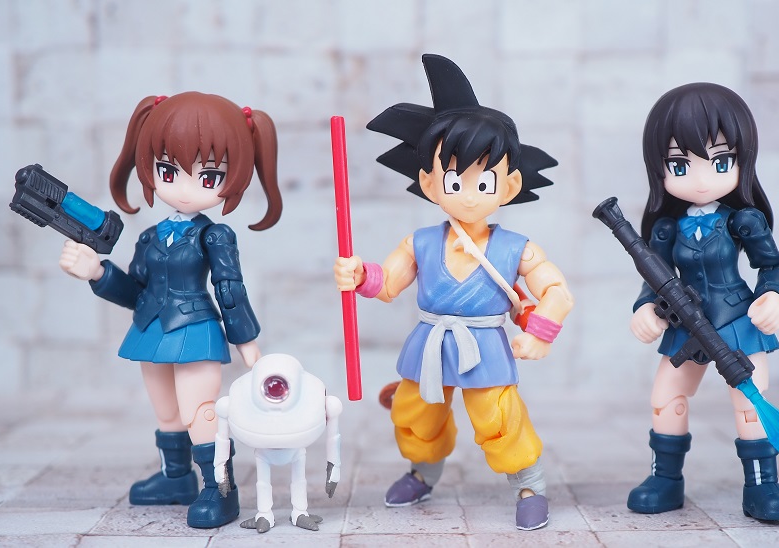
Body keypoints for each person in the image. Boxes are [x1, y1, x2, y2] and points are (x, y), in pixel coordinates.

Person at [334, 54, 573, 530]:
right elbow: (388, 283)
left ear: (509, 185)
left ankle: (529, 484)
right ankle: (423, 472)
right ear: (429, 181)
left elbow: (557, 291)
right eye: (453, 178)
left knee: (498, 416)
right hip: (429, 344)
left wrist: (540, 334)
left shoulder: (516, 248)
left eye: (483, 181)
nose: (467, 193)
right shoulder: (420, 243)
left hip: (485, 344)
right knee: (415, 413)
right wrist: (359, 275)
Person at [58, 92, 282, 528]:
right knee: (167, 412)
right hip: (151, 330)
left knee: (200, 411)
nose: (183, 188)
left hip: (195, 329)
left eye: (209, 176)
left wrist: (247, 343)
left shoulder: (214, 236)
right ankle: (176, 477)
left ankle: (221, 490)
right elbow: (136, 292)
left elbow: (229, 289)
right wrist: (96, 272)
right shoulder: (150, 237)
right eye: (168, 171)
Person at [627, 82, 779, 521]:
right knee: (666, 395)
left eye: (720, 162)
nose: (702, 179)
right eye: (680, 165)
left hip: (737, 321)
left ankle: (762, 485)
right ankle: (665, 479)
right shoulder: (667, 229)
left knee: (750, 400)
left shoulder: (743, 221)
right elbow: (655, 278)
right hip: (685, 325)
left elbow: (772, 266)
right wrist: (645, 308)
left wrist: (774, 295)